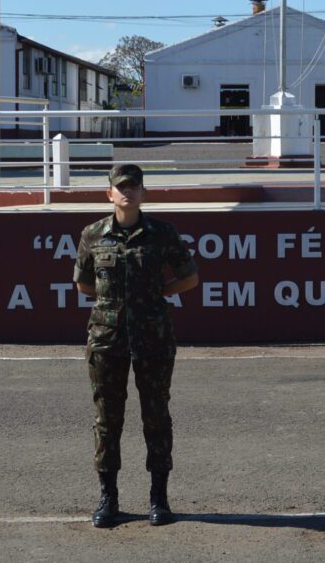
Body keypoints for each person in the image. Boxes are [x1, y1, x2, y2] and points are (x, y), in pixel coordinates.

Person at [74, 164, 200, 528]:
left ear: (144, 193)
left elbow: (189, 277)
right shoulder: (93, 234)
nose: (128, 192)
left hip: (153, 339)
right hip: (107, 340)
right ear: (109, 193)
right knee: (106, 420)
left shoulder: (161, 233)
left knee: (156, 417)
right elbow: (83, 283)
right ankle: (108, 498)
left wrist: (160, 293)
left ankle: (159, 498)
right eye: (121, 187)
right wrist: (116, 305)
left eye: (134, 186)